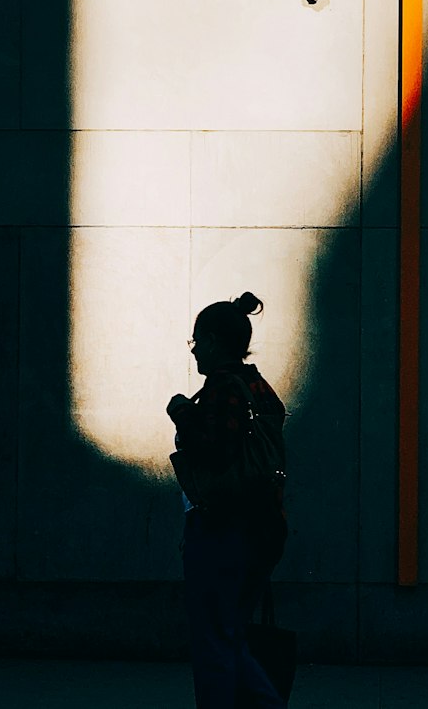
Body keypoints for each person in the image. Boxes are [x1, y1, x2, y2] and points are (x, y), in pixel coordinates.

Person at [166, 292, 289, 708]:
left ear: (216, 341)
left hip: (222, 531)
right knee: (230, 636)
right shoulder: (260, 388)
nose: (195, 348)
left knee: (214, 644)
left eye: (198, 339)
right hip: (262, 530)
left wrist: (182, 413)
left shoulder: (224, 390)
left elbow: (215, 452)